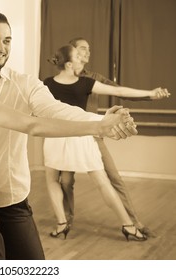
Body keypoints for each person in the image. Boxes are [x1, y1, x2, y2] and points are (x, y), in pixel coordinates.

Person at [0, 12, 137, 260]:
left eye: (7, 40)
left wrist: (103, 122)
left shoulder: (24, 84)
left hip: (8, 201)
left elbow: (57, 112)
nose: (1, 48)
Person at [42, 44, 169, 241]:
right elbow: (121, 91)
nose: (82, 57)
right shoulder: (84, 83)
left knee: (52, 179)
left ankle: (61, 223)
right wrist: (150, 93)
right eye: (77, 54)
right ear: (68, 64)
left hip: (56, 134)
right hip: (81, 133)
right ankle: (128, 225)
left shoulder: (48, 83)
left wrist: (150, 93)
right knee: (101, 182)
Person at [65, 37, 158, 236]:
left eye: (89, 49)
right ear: (71, 52)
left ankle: (134, 223)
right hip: (66, 135)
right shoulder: (60, 78)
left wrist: (149, 94)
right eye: (83, 48)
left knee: (113, 177)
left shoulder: (93, 78)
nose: (88, 52)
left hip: (92, 135)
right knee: (65, 181)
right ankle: (65, 222)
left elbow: (119, 91)